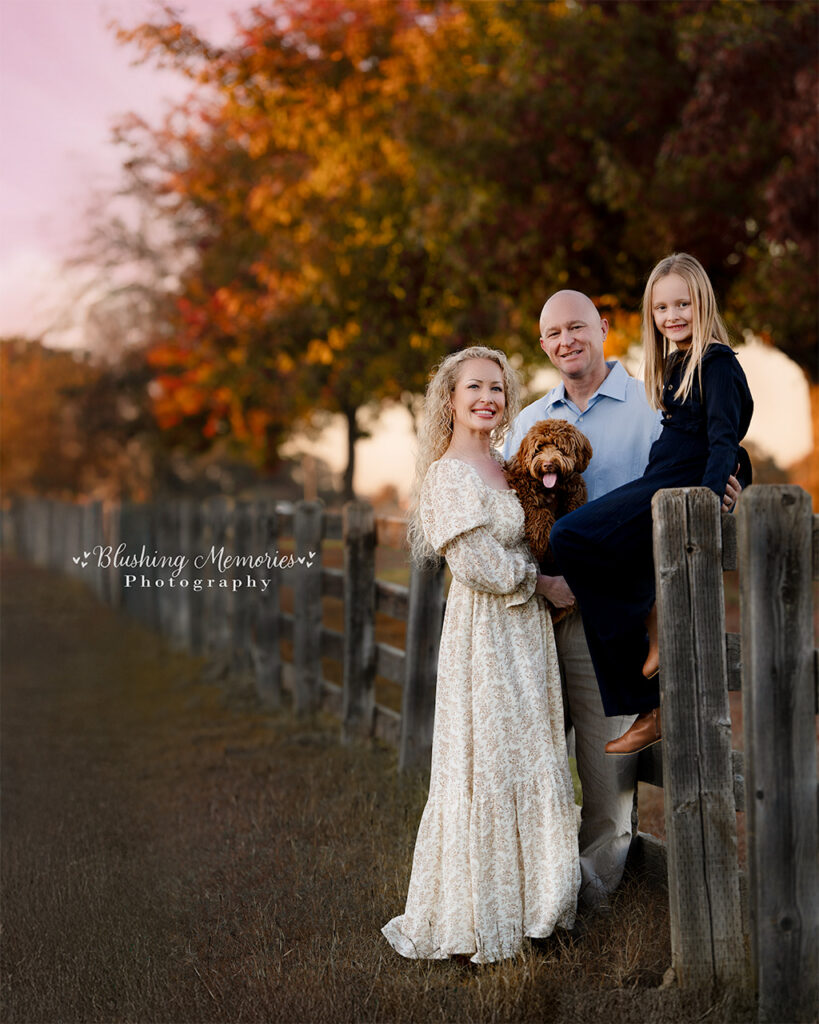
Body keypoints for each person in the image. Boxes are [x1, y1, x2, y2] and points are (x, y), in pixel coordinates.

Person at [503, 284, 743, 908]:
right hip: (536, 612)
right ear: (542, 344)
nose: (567, 341)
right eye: (554, 333)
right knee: (528, 761)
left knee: (608, 779)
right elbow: (504, 516)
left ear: (604, 326)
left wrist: (735, 477)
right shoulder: (528, 422)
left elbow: (709, 447)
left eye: (578, 327)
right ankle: (529, 892)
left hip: (610, 615)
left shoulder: (650, 398)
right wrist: (541, 583)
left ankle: (588, 899)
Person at [382, 346, 580, 964]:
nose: (487, 398)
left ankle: (539, 912)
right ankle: (484, 918)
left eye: (497, 388)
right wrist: (542, 585)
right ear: (450, 399)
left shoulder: (506, 465)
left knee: (535, 751)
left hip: (528, 637)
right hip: (488, 634)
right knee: (491, 760)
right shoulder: (447, 475)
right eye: (474, 388)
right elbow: (476, 564)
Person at [549, 253, 753, 757]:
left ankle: (647, 642)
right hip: (659, 478)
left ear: (702, 302)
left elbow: (725, 439)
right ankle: (647, 695)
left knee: (570, 535)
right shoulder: (678, 363)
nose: (673, 316)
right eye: (662, 308)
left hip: (676, 489)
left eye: (683, 303)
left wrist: (708, 506)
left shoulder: (717, 361)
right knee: (586, 543)